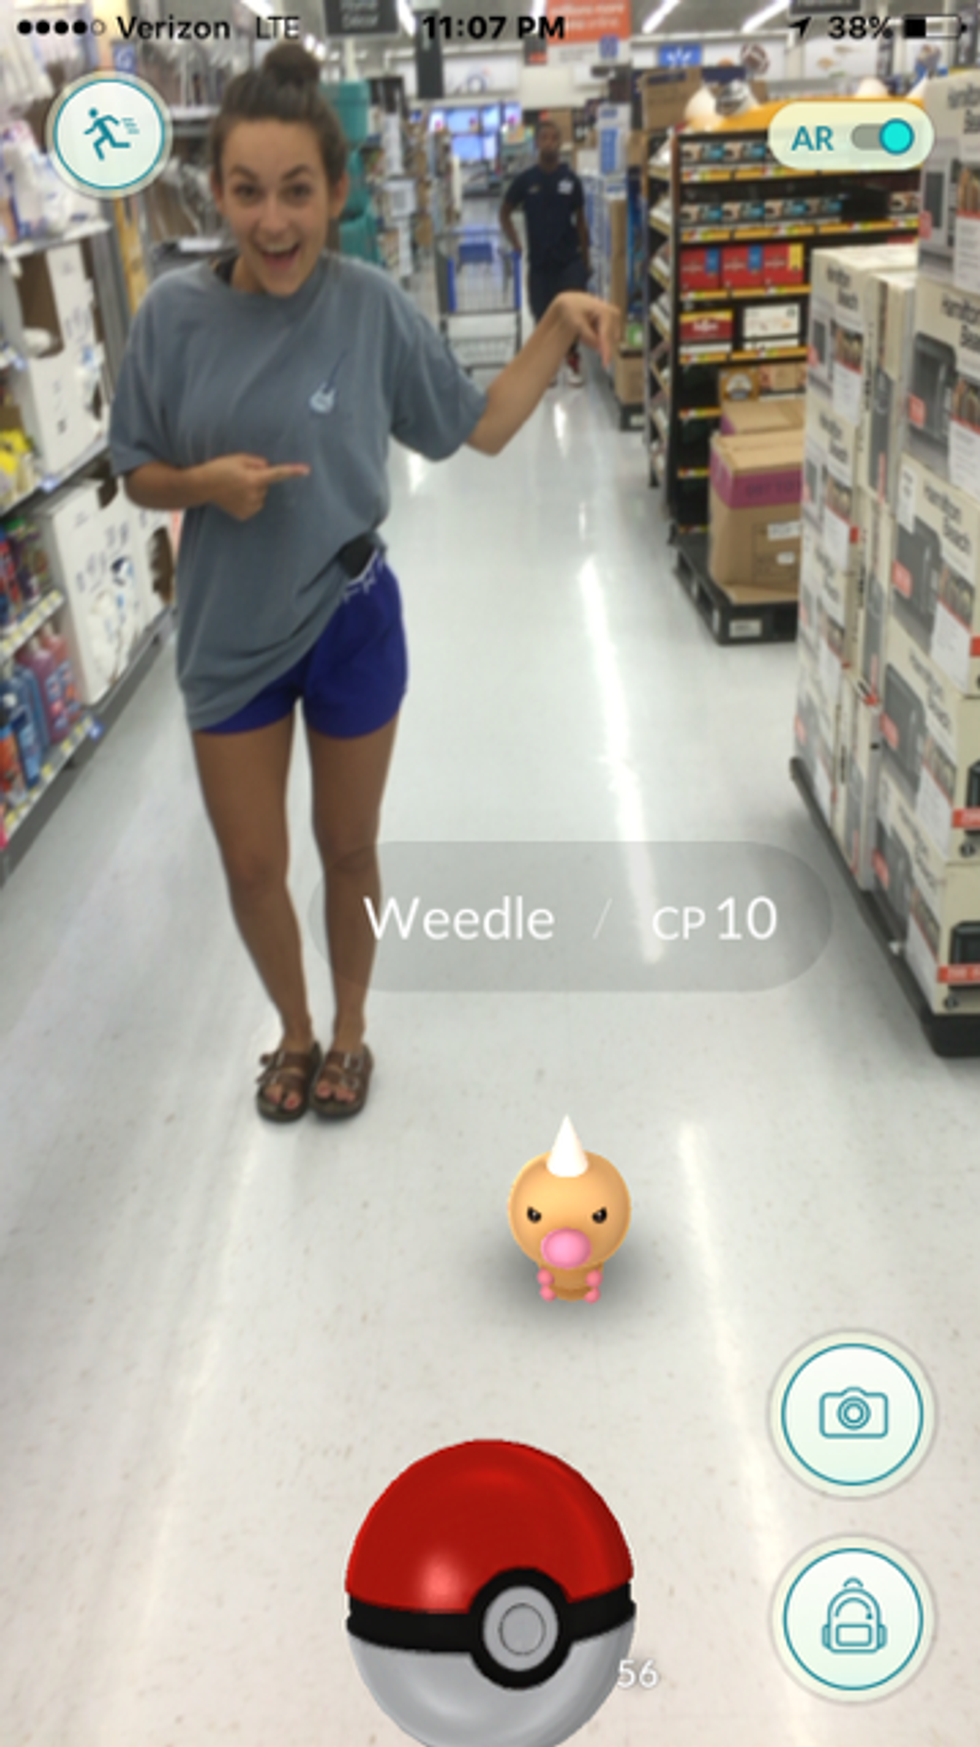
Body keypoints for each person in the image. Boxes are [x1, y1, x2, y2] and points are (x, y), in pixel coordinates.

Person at [109, 45, 620, 1125]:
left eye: (297, 190)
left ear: (338, 191)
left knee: (347, 848)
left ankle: (347, 1030)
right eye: (247, 191)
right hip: (226, 631)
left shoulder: (371, 306)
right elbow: (136, 468)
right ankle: (290, 1031)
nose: (273, 220)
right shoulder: (170, 318)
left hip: (350, 619)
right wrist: (201, 485)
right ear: (217, 193)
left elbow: (482, 427)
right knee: (253, 866)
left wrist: (556, 320)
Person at [500, 119, 591, 387]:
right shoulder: (526, 181)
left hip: (568, 260)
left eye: (554, 138)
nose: (549, 142)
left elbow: (581, 221)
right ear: (537, 143)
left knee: (572, 314)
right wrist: (516, 242)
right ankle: (549, 365)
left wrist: (585, 260)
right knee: (542, 315)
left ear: (560, 143)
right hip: (540, 262)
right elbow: (504, 211)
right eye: (544, 138)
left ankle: (572, 360)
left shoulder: (570, 180)